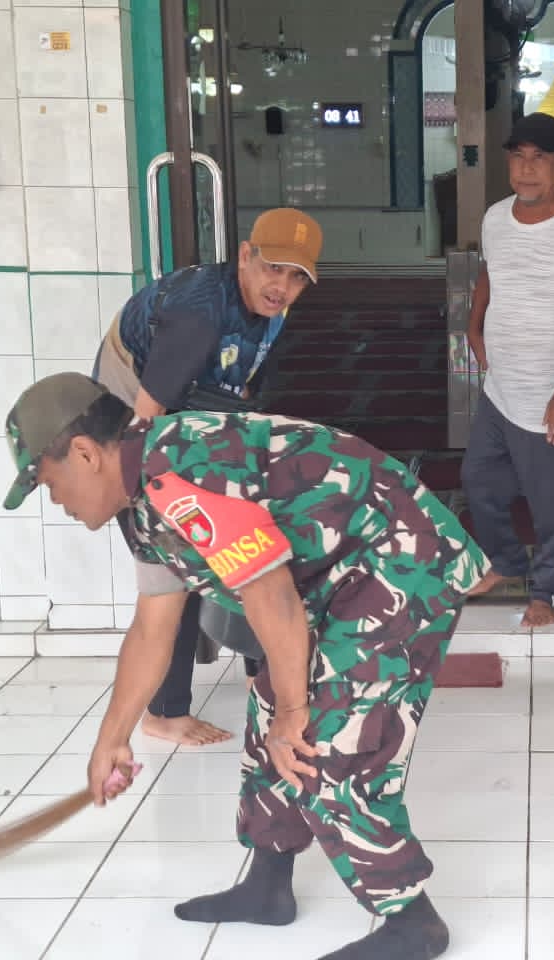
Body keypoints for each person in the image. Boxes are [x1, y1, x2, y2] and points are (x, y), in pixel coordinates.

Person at [1, 372, 498, 960]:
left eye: (48, 482)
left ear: (85, 454)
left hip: (398, 560)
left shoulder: (182, 477)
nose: (56, 502)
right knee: (271, 726)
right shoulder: (141, 502)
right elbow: (153, 627)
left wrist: (295, 710)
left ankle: (413, 922)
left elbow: (271, 596)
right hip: (332, 576)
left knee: (323, 743)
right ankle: (268, 889)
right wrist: (113, 737)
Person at [92, 207, 322, 746]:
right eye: (273, 268)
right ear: (244, 256)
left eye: (296, 277)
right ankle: (164, 713)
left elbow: (244, 386)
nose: (282, 286)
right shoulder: (199, 316)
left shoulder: (269, 307)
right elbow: (145, 420)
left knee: (248, 545)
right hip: (130, 436)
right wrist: (159, 502)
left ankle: (258, 673)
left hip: (189, 423)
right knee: (177, 568)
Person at [461, 112, 554, 627]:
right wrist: (473, 325)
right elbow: (490, 271)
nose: (526, 169)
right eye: (518, 158)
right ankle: (505, 561)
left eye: (538, 159)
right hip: (500, 387)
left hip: (549, 393)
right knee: (478, 480)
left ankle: (546, 590)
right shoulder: (496, 217)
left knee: (552, 507)